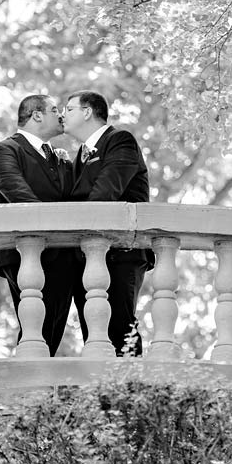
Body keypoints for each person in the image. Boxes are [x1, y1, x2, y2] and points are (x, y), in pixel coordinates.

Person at [63, 90, 154, 356]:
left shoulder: (120, 141)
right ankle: (102, 394)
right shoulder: (80, 153)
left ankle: (130, 390)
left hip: (121, 254)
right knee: (94, 335)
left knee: (120, 330)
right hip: (89, 256)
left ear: (87, 111)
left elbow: (105, 194)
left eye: (68, 109)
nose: (62, 115)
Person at [0, 94, 77, 356]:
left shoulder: (60, 157)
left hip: (64, 256)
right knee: (35, 329)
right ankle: (27, 388)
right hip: (23, 253)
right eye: (55, 110)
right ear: (37, 115)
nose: (61, 116)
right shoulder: (4, 150)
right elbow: (17, 194)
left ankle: (39, 391)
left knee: (53, 330)